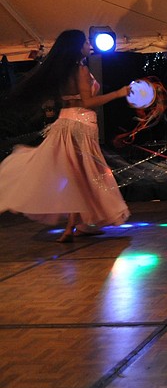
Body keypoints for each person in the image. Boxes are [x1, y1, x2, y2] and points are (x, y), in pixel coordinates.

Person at [0, 29, 131, 241]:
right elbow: (88, 102)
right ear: (78, 47)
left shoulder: (61, 71)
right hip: (82, 124)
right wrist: (118, 93)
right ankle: (74, 226)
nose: (90, 45)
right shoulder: (80, 69)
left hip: (65, 121)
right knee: (84, 174)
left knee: (75, 174)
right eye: (86, 42)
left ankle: (74, 226)